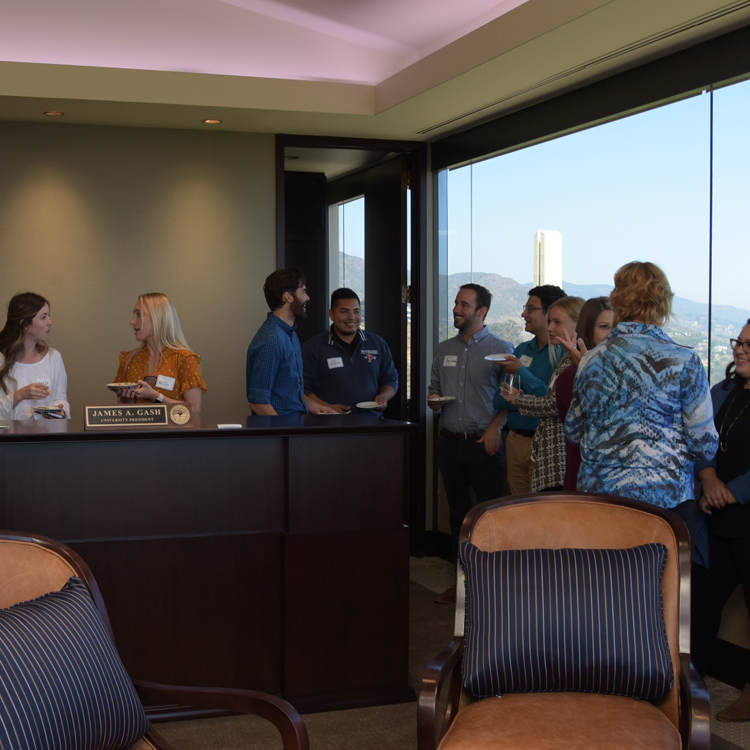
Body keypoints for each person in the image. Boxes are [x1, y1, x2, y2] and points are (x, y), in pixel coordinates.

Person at [564, 261, 717, 523]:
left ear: (617, 301)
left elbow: (573, 430)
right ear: (663, 302)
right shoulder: (683, 360)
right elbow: (704, 444)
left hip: (601, 499)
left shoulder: (591, 360)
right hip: (665, 501)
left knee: (602, 566)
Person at [429, 283, 513, 599]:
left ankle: (493, 588)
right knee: (457, 515)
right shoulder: (443, 349)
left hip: (484, 444)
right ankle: (463, 585)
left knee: (491, 516)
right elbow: (433, 389)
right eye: (456, 303)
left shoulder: (502, 350)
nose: (456, 309)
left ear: (481, 311)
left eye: (464, 305)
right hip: (449, 443)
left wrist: (495, 427)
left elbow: (512, 401)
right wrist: (434, 399)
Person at [692, 321, 750, 721]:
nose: (740, 350)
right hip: (716, 518)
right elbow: (702, 440)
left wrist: (732, 491)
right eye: (739, 342)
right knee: (702, 604)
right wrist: (709, 477)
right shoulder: (723, 391)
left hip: (744, 515)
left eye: (749, 345)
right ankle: (688, 682)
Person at [502, 296, 584, 492]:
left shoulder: (577, 360)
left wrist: (518, 400)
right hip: (548, 455)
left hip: (558, 458)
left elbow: (553, 404)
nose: (550, 328)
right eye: (549, 322)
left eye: (557, 322)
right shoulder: (567, 357)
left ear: (578, 323)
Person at [493, 284, 566, 495]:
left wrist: (521, 374)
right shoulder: (522, 350)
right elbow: (499, 400)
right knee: (518, 508)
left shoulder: (565, 356)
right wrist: (529, 400)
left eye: (530, 309)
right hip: (515, 440)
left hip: (545, 444)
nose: (523, 314)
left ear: (550, 312)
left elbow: (552, 402)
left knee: (544, 510)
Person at [246, 269, 334, 416]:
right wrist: (284, 434)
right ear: (288, 296)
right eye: (303, 291)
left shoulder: (289, 334)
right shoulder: (271, 340)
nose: (308, 297)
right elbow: (258, 403)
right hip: (282, 434)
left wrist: (314, 406)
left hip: (294, 427)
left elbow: (287, 392)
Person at [302, 288, 398, 416]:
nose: (351, 317)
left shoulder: (377, 343)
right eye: (344, 311)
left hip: (372, 424)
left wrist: (384, 396)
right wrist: (327, 407)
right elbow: (304, 388)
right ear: (331, 314)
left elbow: (391, 379)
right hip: (327, 426)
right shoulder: (313, 347)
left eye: (356, 311)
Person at [113, 293, 206, 415]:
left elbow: (194, 411)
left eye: (139, 314)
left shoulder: (184, 359)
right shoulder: (129, 360)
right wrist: (125, 401)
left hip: (172, 434)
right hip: (138, 433)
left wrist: (155, 396)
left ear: (159, 317)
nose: (132, 321)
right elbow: (122, 413)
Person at [555, 296, 613, 490]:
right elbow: (591, 428)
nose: (612, 334)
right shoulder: (572, 374)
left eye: (616, 327)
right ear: (588, 329)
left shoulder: (618, 372)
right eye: (604, 327)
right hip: (585, 478)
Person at [0, 292, 70, 421]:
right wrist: (19, 395)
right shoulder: (1, 359)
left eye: (49, 316)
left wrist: (60, 410)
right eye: (43, 317)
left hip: (46, 438)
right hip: (9, 439)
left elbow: (61, 399)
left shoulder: (54, 357)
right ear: (24, 324)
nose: (50, 322)